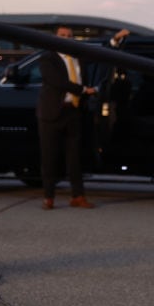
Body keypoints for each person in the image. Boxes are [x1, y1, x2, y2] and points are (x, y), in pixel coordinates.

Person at [38, 25, 129, 210]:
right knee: (50, 156)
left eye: (69, 36)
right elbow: (58, 82)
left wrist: (114, 40)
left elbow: (99, 55)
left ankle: (77, 196)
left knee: (75, 157)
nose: (66, 38)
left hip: (74, 112)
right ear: (54, 37)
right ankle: (48, 197)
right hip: (52, 113)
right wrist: (83, 90)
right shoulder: (47, 58)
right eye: (62, 35)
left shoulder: (78, 56)